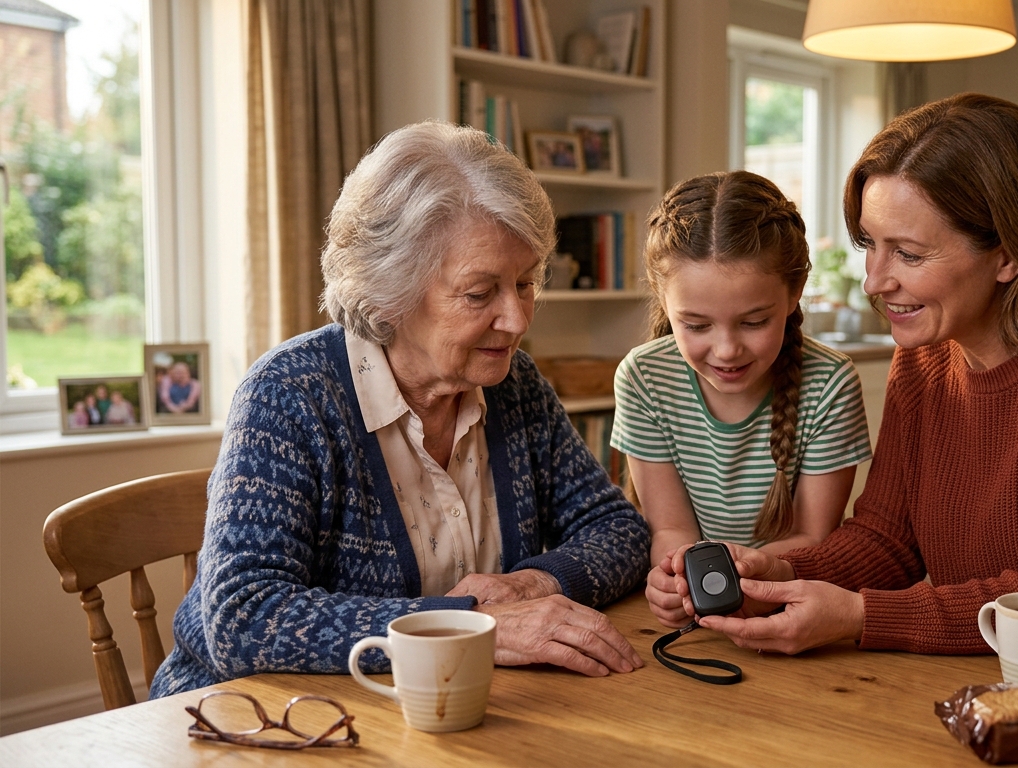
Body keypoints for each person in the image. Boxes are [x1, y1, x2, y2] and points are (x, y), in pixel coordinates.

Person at [666, 93, 1018, 656]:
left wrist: (859, 616)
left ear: (1008, 254)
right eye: (870, 246)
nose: (874, 282)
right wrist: (774, 572)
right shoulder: (926, 357)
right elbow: (888, 538)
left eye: (907, 254)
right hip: (992, 672)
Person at [149, 122, 651, 698]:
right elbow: (244, 619)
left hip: (432, 708)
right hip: (256, 721)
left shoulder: (515, 386)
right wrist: (465, 625)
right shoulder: (289, 395)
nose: (516, 320)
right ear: (390, 291)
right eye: (480, 292)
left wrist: (536, 583)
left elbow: (619, 531)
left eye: (525, 283)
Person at [611, 171, 872, 628]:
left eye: (754, 322)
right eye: (696, 325)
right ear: (662, 298)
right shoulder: (643, 377)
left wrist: (735, 577)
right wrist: (674, 580)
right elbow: (672, 530)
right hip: (701, 611)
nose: (727, 349)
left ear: (794, 293)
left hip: (790, 603)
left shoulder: (830, 383)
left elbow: (812, 536)